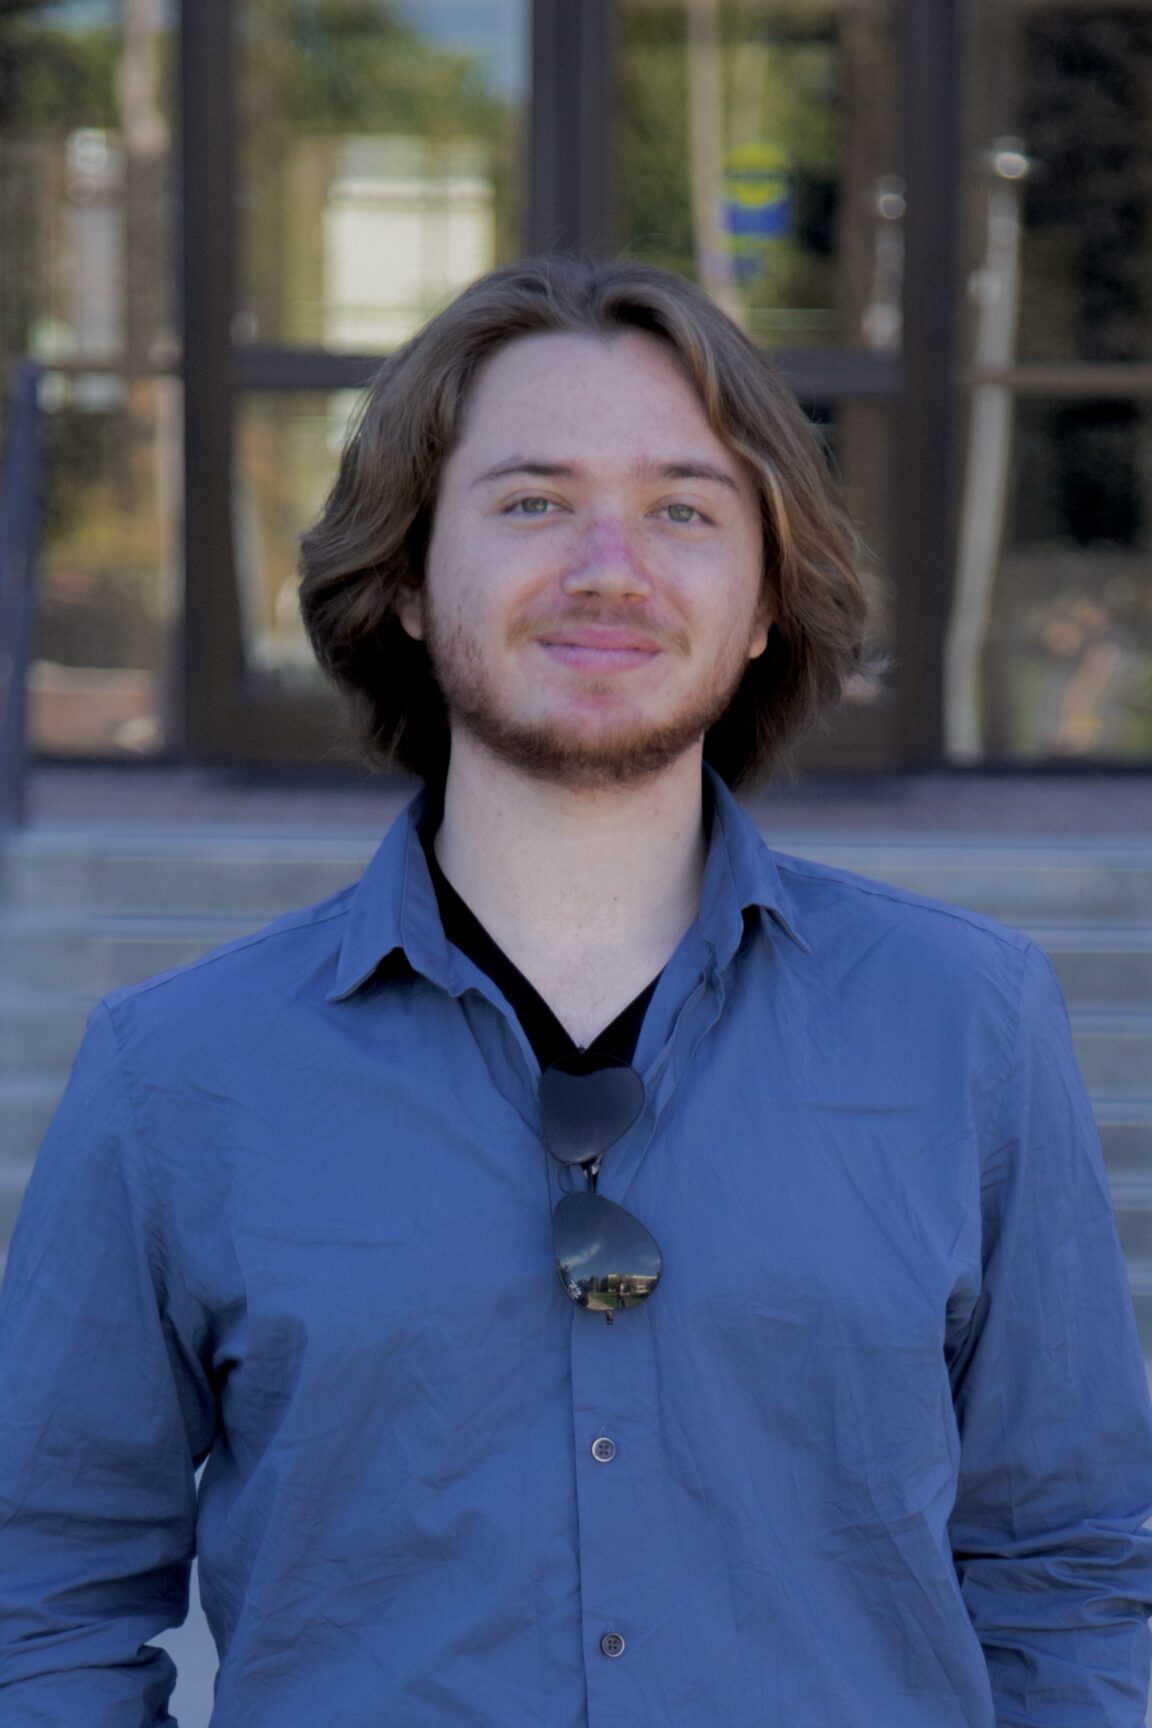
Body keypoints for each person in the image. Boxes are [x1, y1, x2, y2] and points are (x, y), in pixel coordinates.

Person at [1, 256, 1150, 1728]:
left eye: (684, 508)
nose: (610, 565)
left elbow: (1063, 1566)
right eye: (532, 501)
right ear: (410, 579)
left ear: (759, 606)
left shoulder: (971, 1024)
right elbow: (47, 1601)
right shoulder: (173, 1072)